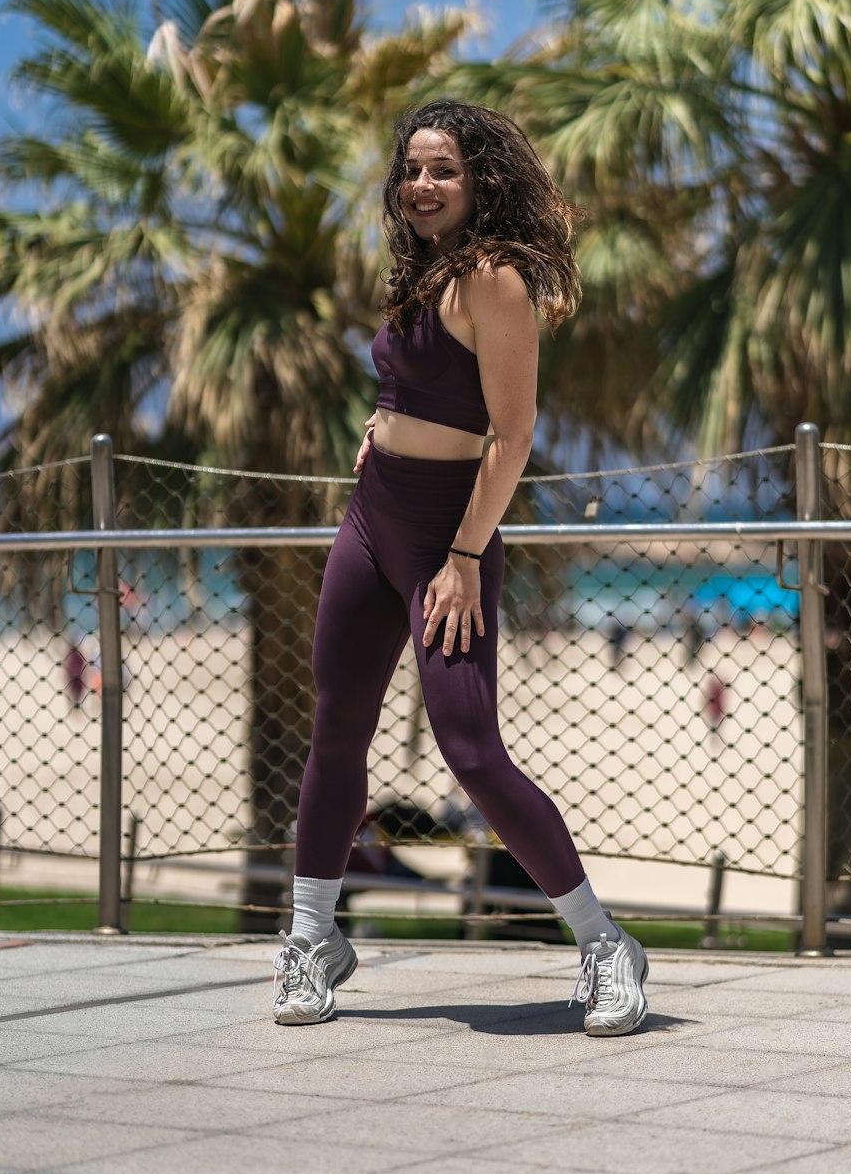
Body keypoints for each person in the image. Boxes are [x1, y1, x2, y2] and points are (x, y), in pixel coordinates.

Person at [273, 100, 648, 1037]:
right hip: (371, 523)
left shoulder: (495, 280)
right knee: (336, 733)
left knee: (471, 749)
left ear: (479, 179)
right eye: (411, 170)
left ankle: (605, 947)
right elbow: (418, 387)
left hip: (450, 538)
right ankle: (312, 939)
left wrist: (464, 558)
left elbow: (513, 435)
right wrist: (382, 425)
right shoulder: (420, 272)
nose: (423, 185)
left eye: (443, 169)